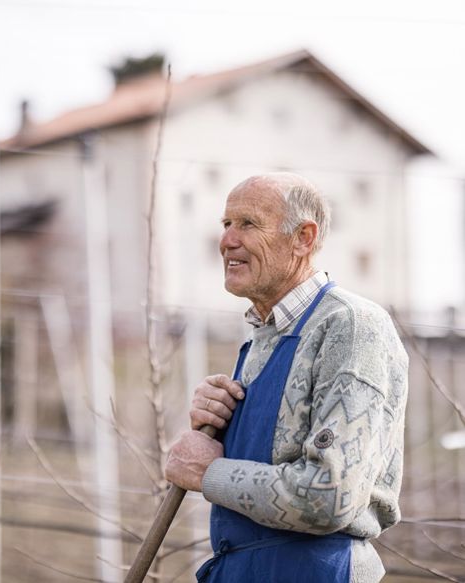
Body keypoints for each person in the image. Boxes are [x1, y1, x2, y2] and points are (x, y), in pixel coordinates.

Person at [165, 173, 408, 583]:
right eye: (226, 225)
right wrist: (217, 424)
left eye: (248, 224)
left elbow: (328, 496)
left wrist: (209, 472)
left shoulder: (349, 327)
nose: (226, 240)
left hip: (313, 571)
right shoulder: (262, 338)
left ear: (303, 238)